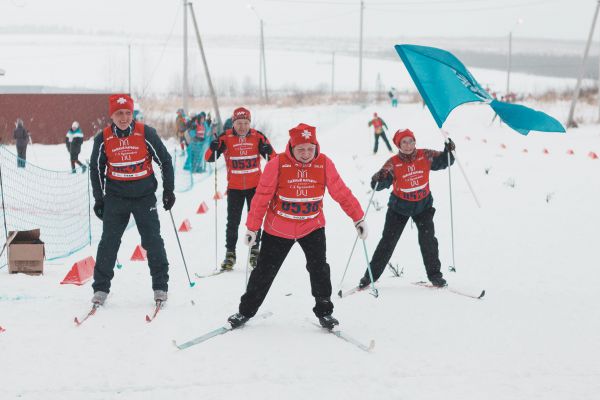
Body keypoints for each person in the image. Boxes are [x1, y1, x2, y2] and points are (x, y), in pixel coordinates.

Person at [227, 123, 368, 330]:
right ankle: (245, 311)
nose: (306, 154)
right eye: (301, 149)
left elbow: (341, 192)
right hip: (278, 228)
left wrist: (358, 218)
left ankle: (325, 312)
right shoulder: (277, 164)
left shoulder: (324, 163)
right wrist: (252, 228)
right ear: (291, 147)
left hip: (312, 226)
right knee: (264, 271)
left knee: (319, 269)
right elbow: (261, 198)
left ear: (316, 146)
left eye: (310, 148)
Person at [89, 94, 175, 306]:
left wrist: (168, 190)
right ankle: (100, 288)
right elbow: (96, 169)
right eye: (119, 113)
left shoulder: (146, 133)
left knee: (153, 241)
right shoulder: (104, 138)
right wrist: (99, 199)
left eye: (128, 113)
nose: (124, 117)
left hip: (143, 197)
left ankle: (160, 286)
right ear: (112, 115)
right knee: (109, 242)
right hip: (116, 198)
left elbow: (164, 160)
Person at [358, 128, 455, 290]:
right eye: (404, 142)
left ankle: (435, 276)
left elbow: (446, 161)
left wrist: (448, 150)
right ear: (398, 144)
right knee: (387, 242)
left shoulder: (426, 155)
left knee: (428, 241)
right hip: (399, 208)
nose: (409, 145)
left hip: (423, 206)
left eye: (411, 141)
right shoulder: (393, 162)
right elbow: (378, 183)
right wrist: (378, 178)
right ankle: (370, 277)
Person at [205, 107, 274, 270]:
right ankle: (230, 254)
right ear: (233, 123)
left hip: (256, 187)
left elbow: (274, 161)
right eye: (238, 123)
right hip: (235, 188)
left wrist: (268, 151)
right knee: (233, 222)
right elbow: (208, 159)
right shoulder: (226, 137)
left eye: (245, 123)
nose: (242, 127)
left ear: (249, 123)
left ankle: (255, 252)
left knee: (255, 221)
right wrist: (213, 147)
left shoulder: (258, 137)